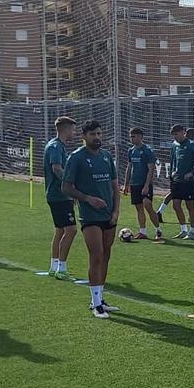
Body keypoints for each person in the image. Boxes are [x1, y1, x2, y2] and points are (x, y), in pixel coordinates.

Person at [62, 120, 120, 319]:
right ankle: (95, 303)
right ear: (84, 137)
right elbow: (66, 187)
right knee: (96, 255)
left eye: (99, 133)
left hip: (108, 215)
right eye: (93, 134)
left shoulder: (106, 156)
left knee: (106, 255)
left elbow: (115, 186)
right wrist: (88, 199)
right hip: (90, 216)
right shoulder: (76, 158)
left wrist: (116, 211)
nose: (97, 137)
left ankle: (100, 298)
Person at [44, 116, 78, 281]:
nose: (75, 132)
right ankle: (61, 269)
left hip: (57, 195)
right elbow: (57, 169)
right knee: (71, 230)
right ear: (66, 129)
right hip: (59, 195)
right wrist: (71, 187)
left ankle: (54, 266)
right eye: (73, 129)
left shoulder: (57, 146)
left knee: (60, 230)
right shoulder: (56, 146)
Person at [126, 127, 163, 241]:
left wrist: (147, 185)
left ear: (141, 137)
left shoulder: (147, 151)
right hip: (134, 183)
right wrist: (126, 183)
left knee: (148, 205)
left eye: (134, 136)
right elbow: (129, 166)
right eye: (131, 137)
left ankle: (158, 229)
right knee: (139, 208)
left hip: (144, 184)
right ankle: (143, 231)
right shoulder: (131, 151)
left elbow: (151, 169)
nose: (132, 139)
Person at [168, 124, 194, 239]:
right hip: (176, 180)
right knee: (176, 205)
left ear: (183, 132)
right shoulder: (174, 145)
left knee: (190, 206)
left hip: (188, 181)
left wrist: (192, 172)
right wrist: (172, 172)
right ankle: (183, 229)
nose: (175, 136)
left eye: (177, 133)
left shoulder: (191, 145)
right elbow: (172, 159)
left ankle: (192, 231)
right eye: (174, 134)